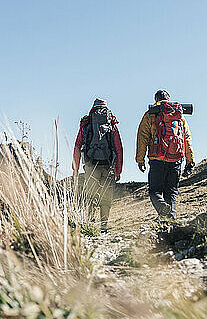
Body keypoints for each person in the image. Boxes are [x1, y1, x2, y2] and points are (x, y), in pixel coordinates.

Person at [135, 90, 195, 219]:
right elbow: (186, 138)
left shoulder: (150, 114)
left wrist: (140, 159)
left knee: (154, 191)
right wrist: (190, 161)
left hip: (158, 159)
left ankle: (162, 207)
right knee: (171, 192)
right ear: (168, 99)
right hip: (176, 159)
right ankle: (170, 221)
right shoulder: (179, 115)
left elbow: (142, 137)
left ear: (156, 99)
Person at [73, 98, 123, 232]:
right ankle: (103, 226)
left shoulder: (87, 124)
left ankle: (90, 222)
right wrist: (118, 170)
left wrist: (76, 168)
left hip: (91, 165)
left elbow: (78, 145)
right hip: (108, 166)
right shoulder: (112, 124)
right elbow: (118, 148)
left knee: (91, 194)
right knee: (106, 196)